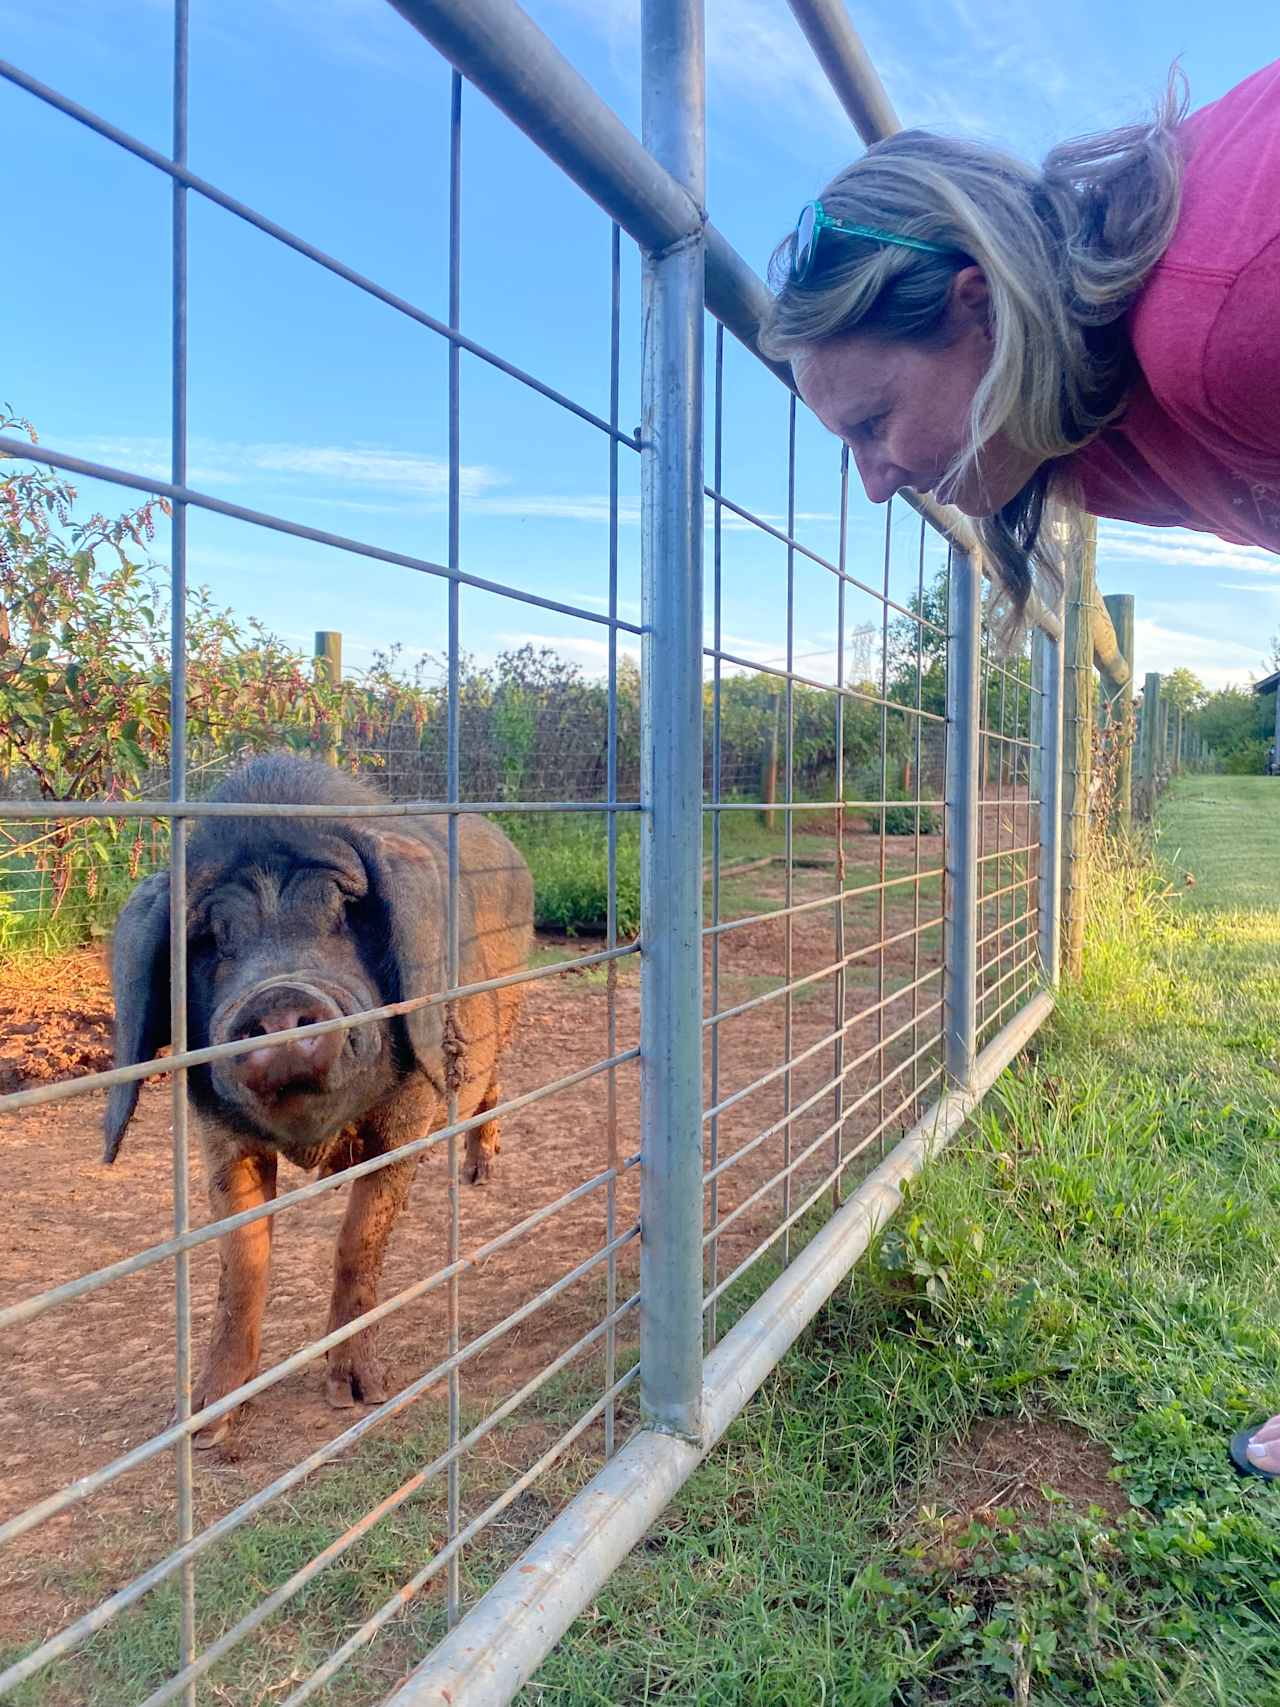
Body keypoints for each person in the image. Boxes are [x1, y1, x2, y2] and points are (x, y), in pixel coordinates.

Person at [759, 59, 1279, 1473]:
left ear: (978, 303)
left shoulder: (1229, 320)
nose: (871, 480)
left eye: (870, 424)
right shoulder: (1082, 425)